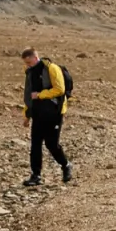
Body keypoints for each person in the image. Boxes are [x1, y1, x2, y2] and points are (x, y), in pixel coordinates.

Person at [20, 48, 73, 187]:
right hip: (38, 113)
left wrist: (41, 95)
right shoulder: (30, 72)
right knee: (35, 144)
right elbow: (29, 95)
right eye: (26, 63)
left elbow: (60, 89)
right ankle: (36, 175)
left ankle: (66, 165)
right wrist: (27, 115)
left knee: (51, 144)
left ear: (36, 57)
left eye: (30, 62)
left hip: (54, 113)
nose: (28, 65)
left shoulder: (51, 68)